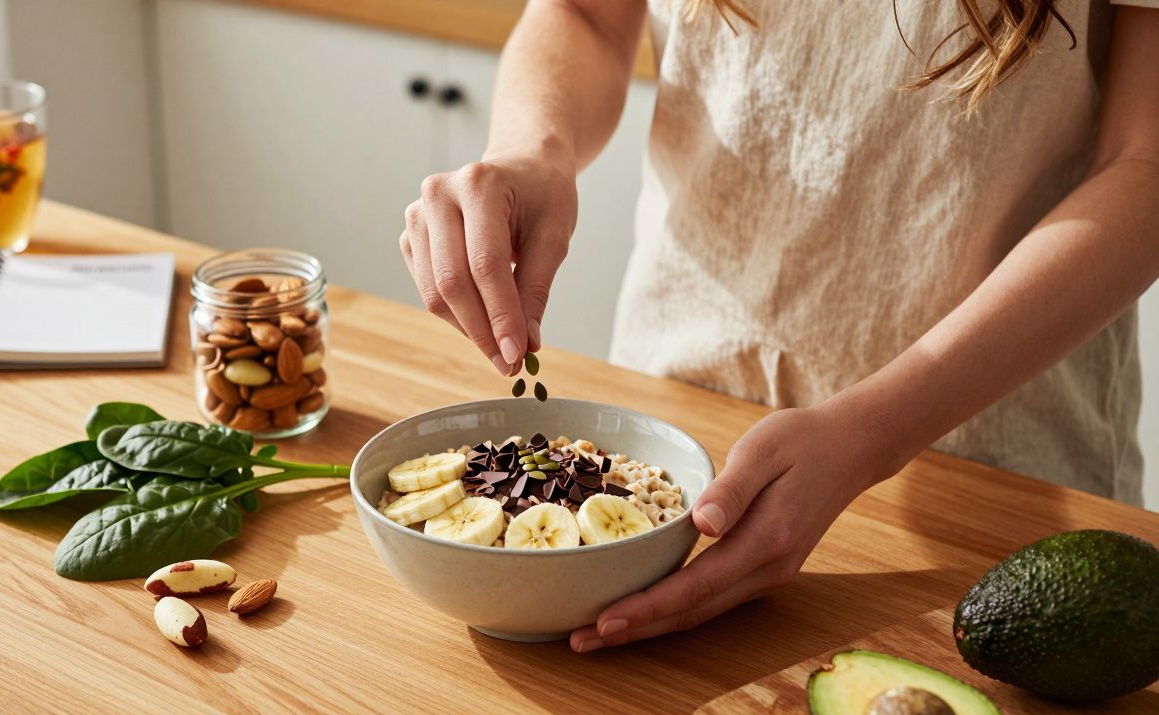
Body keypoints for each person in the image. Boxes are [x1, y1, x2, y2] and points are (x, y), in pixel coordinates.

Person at [398, 0, 1159, 653]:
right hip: (674, 417)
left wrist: (871, 431)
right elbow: (586, 16)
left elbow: (1145, 163)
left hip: (988, 465)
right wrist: (534, 149)